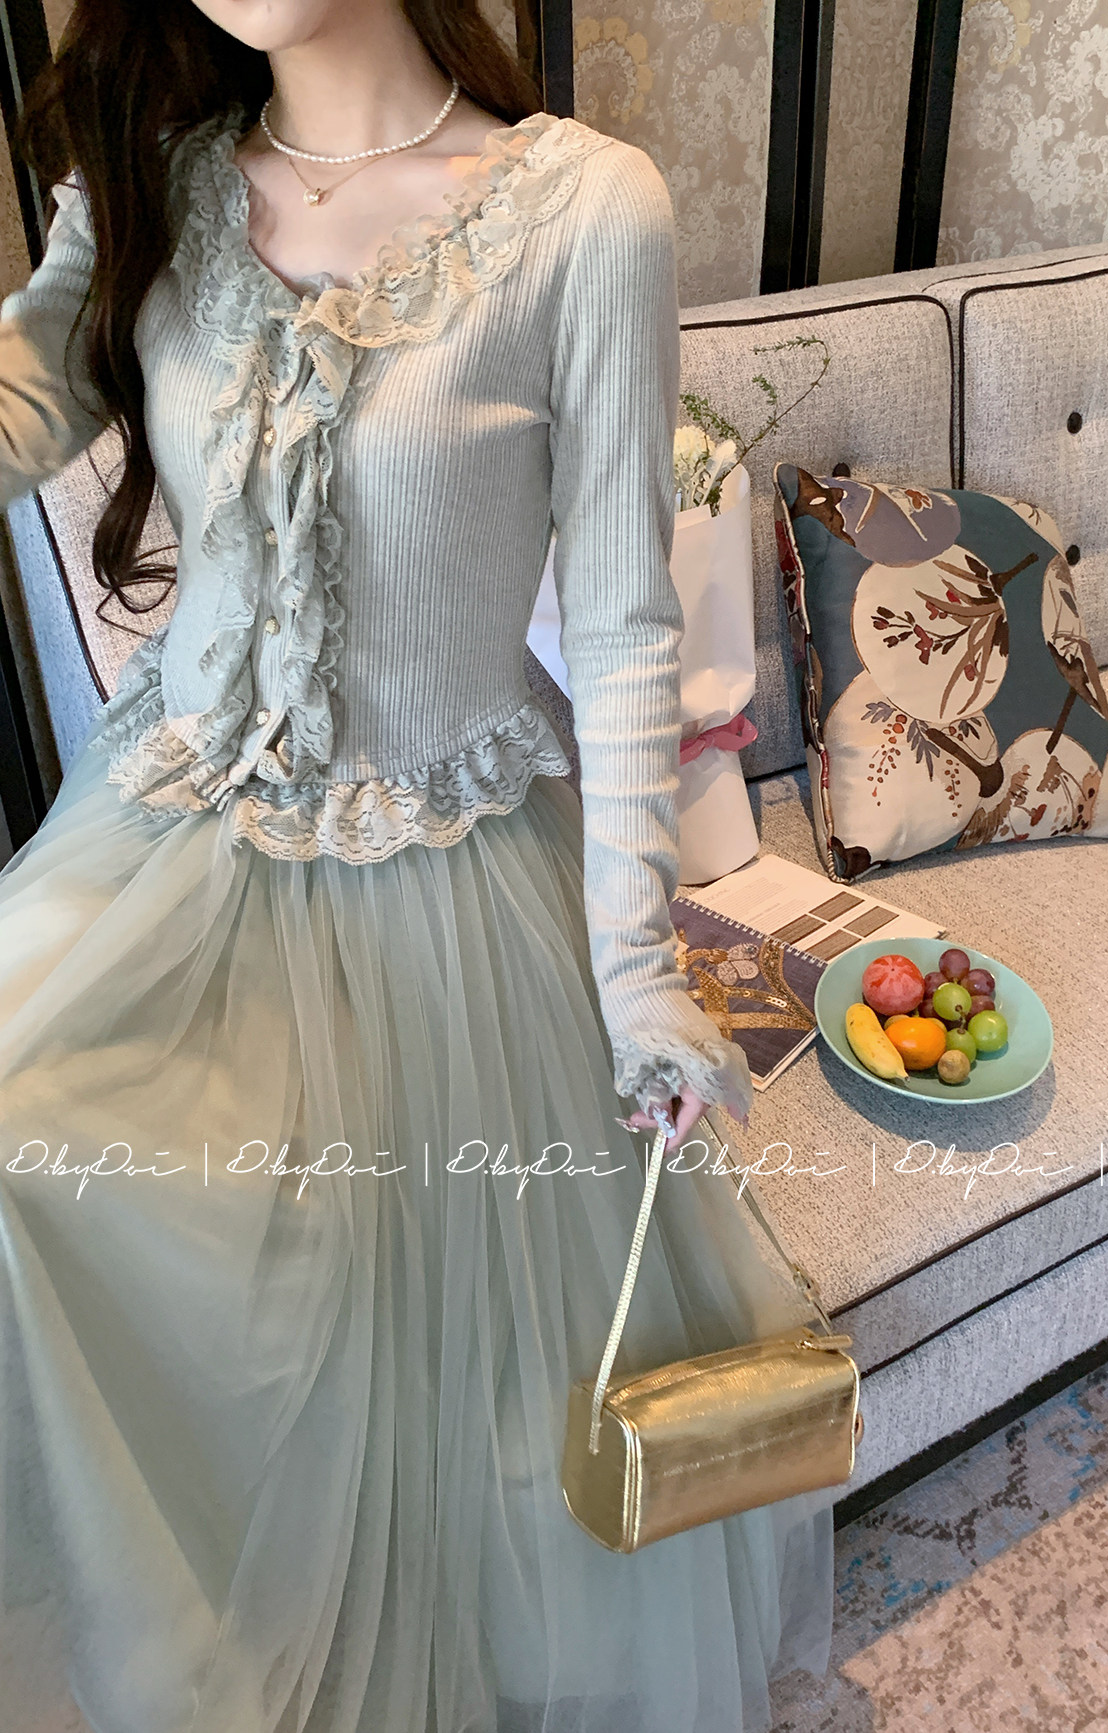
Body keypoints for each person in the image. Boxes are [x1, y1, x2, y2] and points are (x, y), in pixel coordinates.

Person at [0, 2, 836, 1729]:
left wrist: (636, 971)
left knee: (468, 1415)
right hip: (178, 845)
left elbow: (622, 627)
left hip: (454, 887)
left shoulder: (583, 209)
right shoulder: (157, 185)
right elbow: (27, 401)